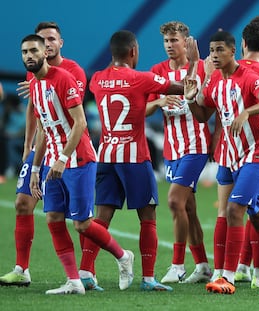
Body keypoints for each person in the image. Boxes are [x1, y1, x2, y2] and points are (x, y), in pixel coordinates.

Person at [20, 34, 134, 295]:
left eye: (34, 51)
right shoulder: (35, 86)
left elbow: (81, 123)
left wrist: (62, 158)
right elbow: (43, 129)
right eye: (25, 52)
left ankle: (123, 256)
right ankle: (73, 281)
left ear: (45, 53)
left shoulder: (63, 79)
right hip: (52, 163)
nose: (29, 56)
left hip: (78, 159)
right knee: (53, 218)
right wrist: (36, 169)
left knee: (82, 224)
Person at [185, 31, 259, 295]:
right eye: (211, 50)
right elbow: (201, 116)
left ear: (234, 51)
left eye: (220, 49)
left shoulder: (249, 76)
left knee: (234, 210)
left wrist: (247, 111)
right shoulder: (215, 84)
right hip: (234, 157)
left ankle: (227, 278)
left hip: (257, 154)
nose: (214, 55)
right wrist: (190, 99)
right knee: (257, 217)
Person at [83, 30, 189, 292]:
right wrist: (198, 65)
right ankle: (148, 279)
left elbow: (110, 77)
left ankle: (86, 271)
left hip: (106, 155)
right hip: (134, 157)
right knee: (147, 217)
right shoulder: (142, 79)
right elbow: (186, 88)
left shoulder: (96, 79)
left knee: (102, 217)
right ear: (133, 52)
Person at [0, 21, 87, 288]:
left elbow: (74, 116)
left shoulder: (72, 72)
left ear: (60, 43)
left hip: (68, 151)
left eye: (51, 39)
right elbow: (34, 110)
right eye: (41, 40)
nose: (46, 44)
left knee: (80, 220)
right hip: (41, 147)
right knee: (23, 203)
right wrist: (28, 146)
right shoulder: (33, 71)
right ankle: (21, 269)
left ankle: (87, 272)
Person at [145, 21, 212, 284]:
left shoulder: (202, 66)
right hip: (172, 149)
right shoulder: (157, 72)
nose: (170, 46)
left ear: (186, 41)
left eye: (174, 40)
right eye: (166, 41)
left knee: (174, 201)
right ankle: (204, 265)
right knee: (189, 208)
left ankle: (177, 265)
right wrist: (159, 100)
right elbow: (144, 108)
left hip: (196, 146)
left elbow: (212, 101)